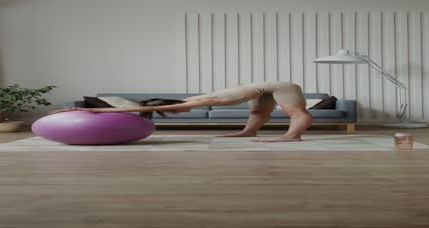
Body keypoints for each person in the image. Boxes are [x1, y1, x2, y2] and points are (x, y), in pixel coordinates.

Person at [52, 82, 313, 142]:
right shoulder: (193, 99)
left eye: (176, 110)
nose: (177, 112)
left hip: (282, 86)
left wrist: (99, 112)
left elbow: (156, 107)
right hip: (261, 89)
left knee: (293, 110)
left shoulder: (196, 102)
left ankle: (293, 136)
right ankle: (247, 132)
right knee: (257, 112)